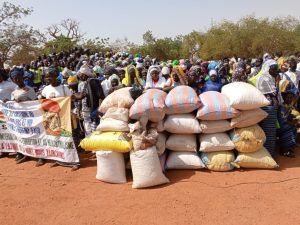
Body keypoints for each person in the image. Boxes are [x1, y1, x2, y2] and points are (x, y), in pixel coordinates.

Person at [9, 67, 39, 165]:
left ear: (22, 77)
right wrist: (9, 102)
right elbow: (13, 104)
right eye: (15, 79)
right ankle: (26, 154)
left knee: (35, 136)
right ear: (13, 80)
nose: (17, 80)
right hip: (21, 119)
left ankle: (40, 156)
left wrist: (24, 102)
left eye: (19, 77)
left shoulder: (29, 89)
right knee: (25, 137)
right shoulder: (14, 91)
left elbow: (36, 103)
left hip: (31, 118)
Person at [256, 60, 281, 156]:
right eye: (273, 69)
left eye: (276, 69)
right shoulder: (264, 78)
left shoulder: (270, 78)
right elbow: (274, 93)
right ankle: (268, 154)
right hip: (268, 107)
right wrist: (278, 81)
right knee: (269, 132)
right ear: (267, 68)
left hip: (272, 107)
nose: (276, 71)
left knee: (271, 131)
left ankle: (269, 153)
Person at [277, 80, 298, 157]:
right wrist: (293, 123)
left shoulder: (289, 106)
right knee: (290, 129)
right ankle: (284, 150)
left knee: (294, 128)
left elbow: (288, 116)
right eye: (287, 98)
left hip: (284, 124)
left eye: (291, 98)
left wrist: (293, 118)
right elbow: (283, 120)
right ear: (284, 98)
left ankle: (289, 147)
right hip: (280, 126)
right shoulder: (282, 107)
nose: (289, 99)